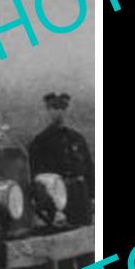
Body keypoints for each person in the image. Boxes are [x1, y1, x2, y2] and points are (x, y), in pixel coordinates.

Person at [29, 92, 94, 225]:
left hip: (80, 194)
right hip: (57, 195)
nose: (59, 112)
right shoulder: (40, 141)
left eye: (62, 108)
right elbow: (37, 175)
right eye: (54, 108)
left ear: (67, 110)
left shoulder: (77, 138)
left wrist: (94, 196)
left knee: (85, 231)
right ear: (48, 111)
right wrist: (48, 206)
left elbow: (89, 168)